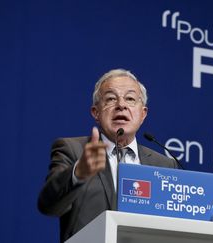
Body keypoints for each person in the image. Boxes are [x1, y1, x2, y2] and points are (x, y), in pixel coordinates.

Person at [38, 69, 179, 242]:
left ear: (143, 114)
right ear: (96, 112)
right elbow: (48, 205)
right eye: (111, 98)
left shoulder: (164, 165)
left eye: (130, 99)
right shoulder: (74, 150)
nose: (121, 105)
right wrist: (78, 173)